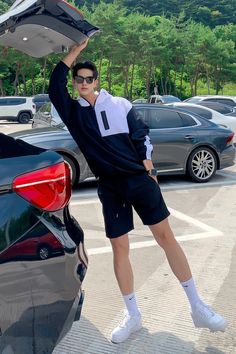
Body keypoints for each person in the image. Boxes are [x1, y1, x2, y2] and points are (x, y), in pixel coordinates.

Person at [49, 39, 228, 343]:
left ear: (96, 81)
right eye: (78, 79)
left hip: (139, 180)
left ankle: (197, 307)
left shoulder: (120, 105)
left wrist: (149, 168)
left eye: (88, 78)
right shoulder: (73, 113)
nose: (83, 83)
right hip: (110, 187)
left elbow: (141, 136)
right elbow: (55, 86)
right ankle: (133, 316)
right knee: (121, 248)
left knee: (166, 238)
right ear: (75, 82)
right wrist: (75, 51)